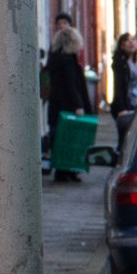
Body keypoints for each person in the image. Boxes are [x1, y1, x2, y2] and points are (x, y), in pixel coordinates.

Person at [44, 25, 94, 183]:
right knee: (71, 140)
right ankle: (67, 171)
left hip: (56, 108)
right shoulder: (68, 63)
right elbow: (72, 86)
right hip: (69, 109)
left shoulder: (54, 61)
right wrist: (79, 106)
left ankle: (65, 170)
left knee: (60, 140)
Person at [110, 33, 137, 118]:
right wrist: (122, 108)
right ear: (122, 46)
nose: (131, 43)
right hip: (126, 106)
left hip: (134, 102)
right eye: (127, 40)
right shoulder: (121, 63)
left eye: (133, 40)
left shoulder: (132, 61)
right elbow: (119, 85)